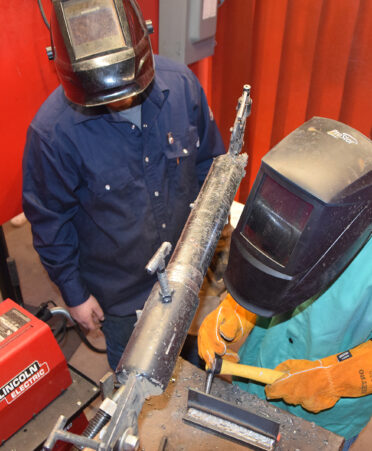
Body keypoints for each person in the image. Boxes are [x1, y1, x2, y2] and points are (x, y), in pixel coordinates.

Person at [22, 0, 225, 370]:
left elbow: (209, 164)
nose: (124, 101)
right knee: (137, 384)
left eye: (131, 88)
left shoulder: (181, 87)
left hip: (189, 274)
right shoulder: (52, 134)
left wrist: (209, 243)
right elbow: (50, 222)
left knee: (192, 366)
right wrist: (74, 295)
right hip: (122, 298)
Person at [198, 236, 372, 448]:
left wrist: (337, 378)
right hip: (261, 360)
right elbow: (272, 246)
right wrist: (239, 305)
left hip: (326, 417)